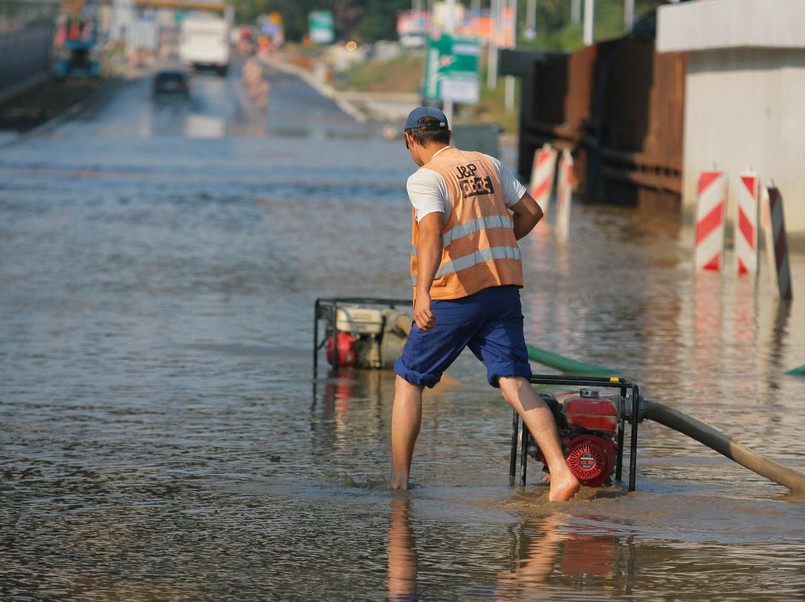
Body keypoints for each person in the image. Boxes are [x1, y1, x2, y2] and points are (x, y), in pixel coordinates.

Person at [389, 106, 580, 502]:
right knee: (514, 380)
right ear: (448, 134)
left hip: (455, 294)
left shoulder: (425, 178)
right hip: (503, 288)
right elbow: (532, 212)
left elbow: (430, 234)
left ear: (411, 140)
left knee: (409, 379)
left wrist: (422, 291)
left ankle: (399, 482)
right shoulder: (488, 163)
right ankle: (562, 473)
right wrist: (497, 245)